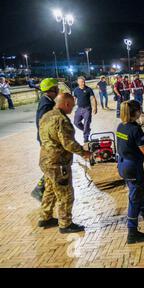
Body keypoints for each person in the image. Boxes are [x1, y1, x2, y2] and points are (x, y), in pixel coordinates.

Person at [38, 93, 91, 233]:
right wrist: (83, 152)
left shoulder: (46, 115)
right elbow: (68, 143)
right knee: (65, 194)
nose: (73, 108)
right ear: (66, 104)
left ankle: (45, 217)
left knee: (49, 190)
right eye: (72, 106)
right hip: (58, 163)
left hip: (45, 160)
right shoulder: (61, 120)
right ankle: (65, 224)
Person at [116, 100, 144, 244]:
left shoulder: (121, 126)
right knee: (134, 199)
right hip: (133, 167)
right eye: (139, 110)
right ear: (134, 112)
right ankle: (132, 232)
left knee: (139, 193)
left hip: (123, 165)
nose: (141, 112)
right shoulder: (135, 130)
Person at [31, 78, 60, 201]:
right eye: (56, 88)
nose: (58, 89)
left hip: (47, 139)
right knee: (52, 165)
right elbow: (42, 124)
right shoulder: (46, 104)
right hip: (48, 141)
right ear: (51, 90)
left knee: (53, 165)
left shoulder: (47, 100)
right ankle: (40, 189)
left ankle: (43, 189)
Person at [73, 76, 98, 143]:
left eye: (83, 81)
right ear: (78, 82)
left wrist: (95, 107)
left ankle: (86, 138)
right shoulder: (76, 90)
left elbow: (93, 98)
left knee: (87, 123)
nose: (83, 83)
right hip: (79, 109)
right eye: (81, 82)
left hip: (87, 109)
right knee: (76, 122)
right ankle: (86, 130)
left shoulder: (88, 89)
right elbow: (74, 99)